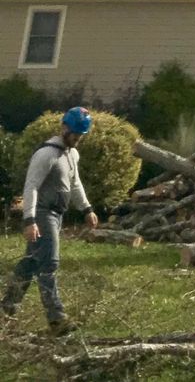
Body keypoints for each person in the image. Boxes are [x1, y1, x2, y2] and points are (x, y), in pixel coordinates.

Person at [2, 106, 98, 335]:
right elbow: (31, 187)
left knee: (31, 262)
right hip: (43, 214)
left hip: (58, 213)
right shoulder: (46, 154)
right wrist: (30, 220)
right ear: (64, 127)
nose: (77, 139)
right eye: (75, 133)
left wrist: (86, 208)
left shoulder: (72, 154)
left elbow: (75, 184)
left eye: (80, 136)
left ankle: (5, 308)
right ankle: (56, 319)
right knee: (50, 262)